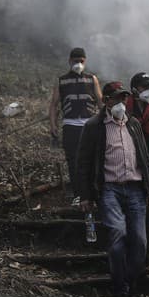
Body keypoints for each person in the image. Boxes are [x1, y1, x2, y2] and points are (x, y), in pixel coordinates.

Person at [75, 81, 149, 297]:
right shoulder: (94, 126)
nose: (121, 103)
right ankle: (122, 295)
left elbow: (144, 157)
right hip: (110, 190)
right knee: (118, 235)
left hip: (136, 189)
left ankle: (130, 288)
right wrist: (86, 195)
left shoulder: (134, 125)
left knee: (140, 242)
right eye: (116, 99)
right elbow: (84, 163)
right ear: (106, 101)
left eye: (124, 99)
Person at [48, 47, 102, 206]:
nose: (78, 63)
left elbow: (100, 101)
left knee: (93, 159)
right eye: (75, 61)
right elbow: (54, 105)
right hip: (70, 125)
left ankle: (93, 194)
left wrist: (106, 120)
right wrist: (53, 125)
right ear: (69, 61)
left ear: (85, 62)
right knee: (74, 161)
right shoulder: (62, 80)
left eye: (81, 61)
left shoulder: (92, 79)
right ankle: (79, 195)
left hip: (90, 125)